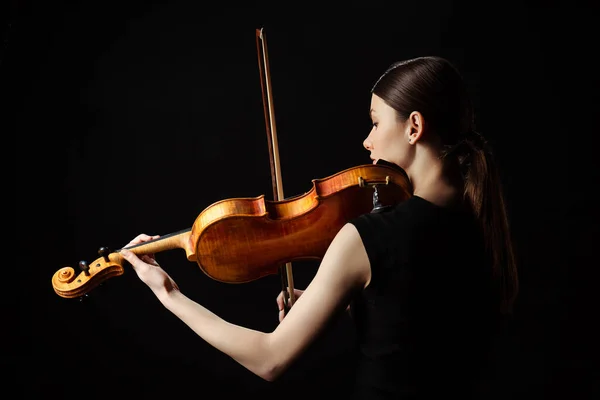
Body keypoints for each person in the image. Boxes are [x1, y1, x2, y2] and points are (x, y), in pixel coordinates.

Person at [120, 56, 518, 399]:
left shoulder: (370, 237)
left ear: (414, 127)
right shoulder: (486, 223)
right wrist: (345, 302)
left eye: (376, 123)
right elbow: (426, 327)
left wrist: (168, 293)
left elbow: (270, 359)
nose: (367, 140)